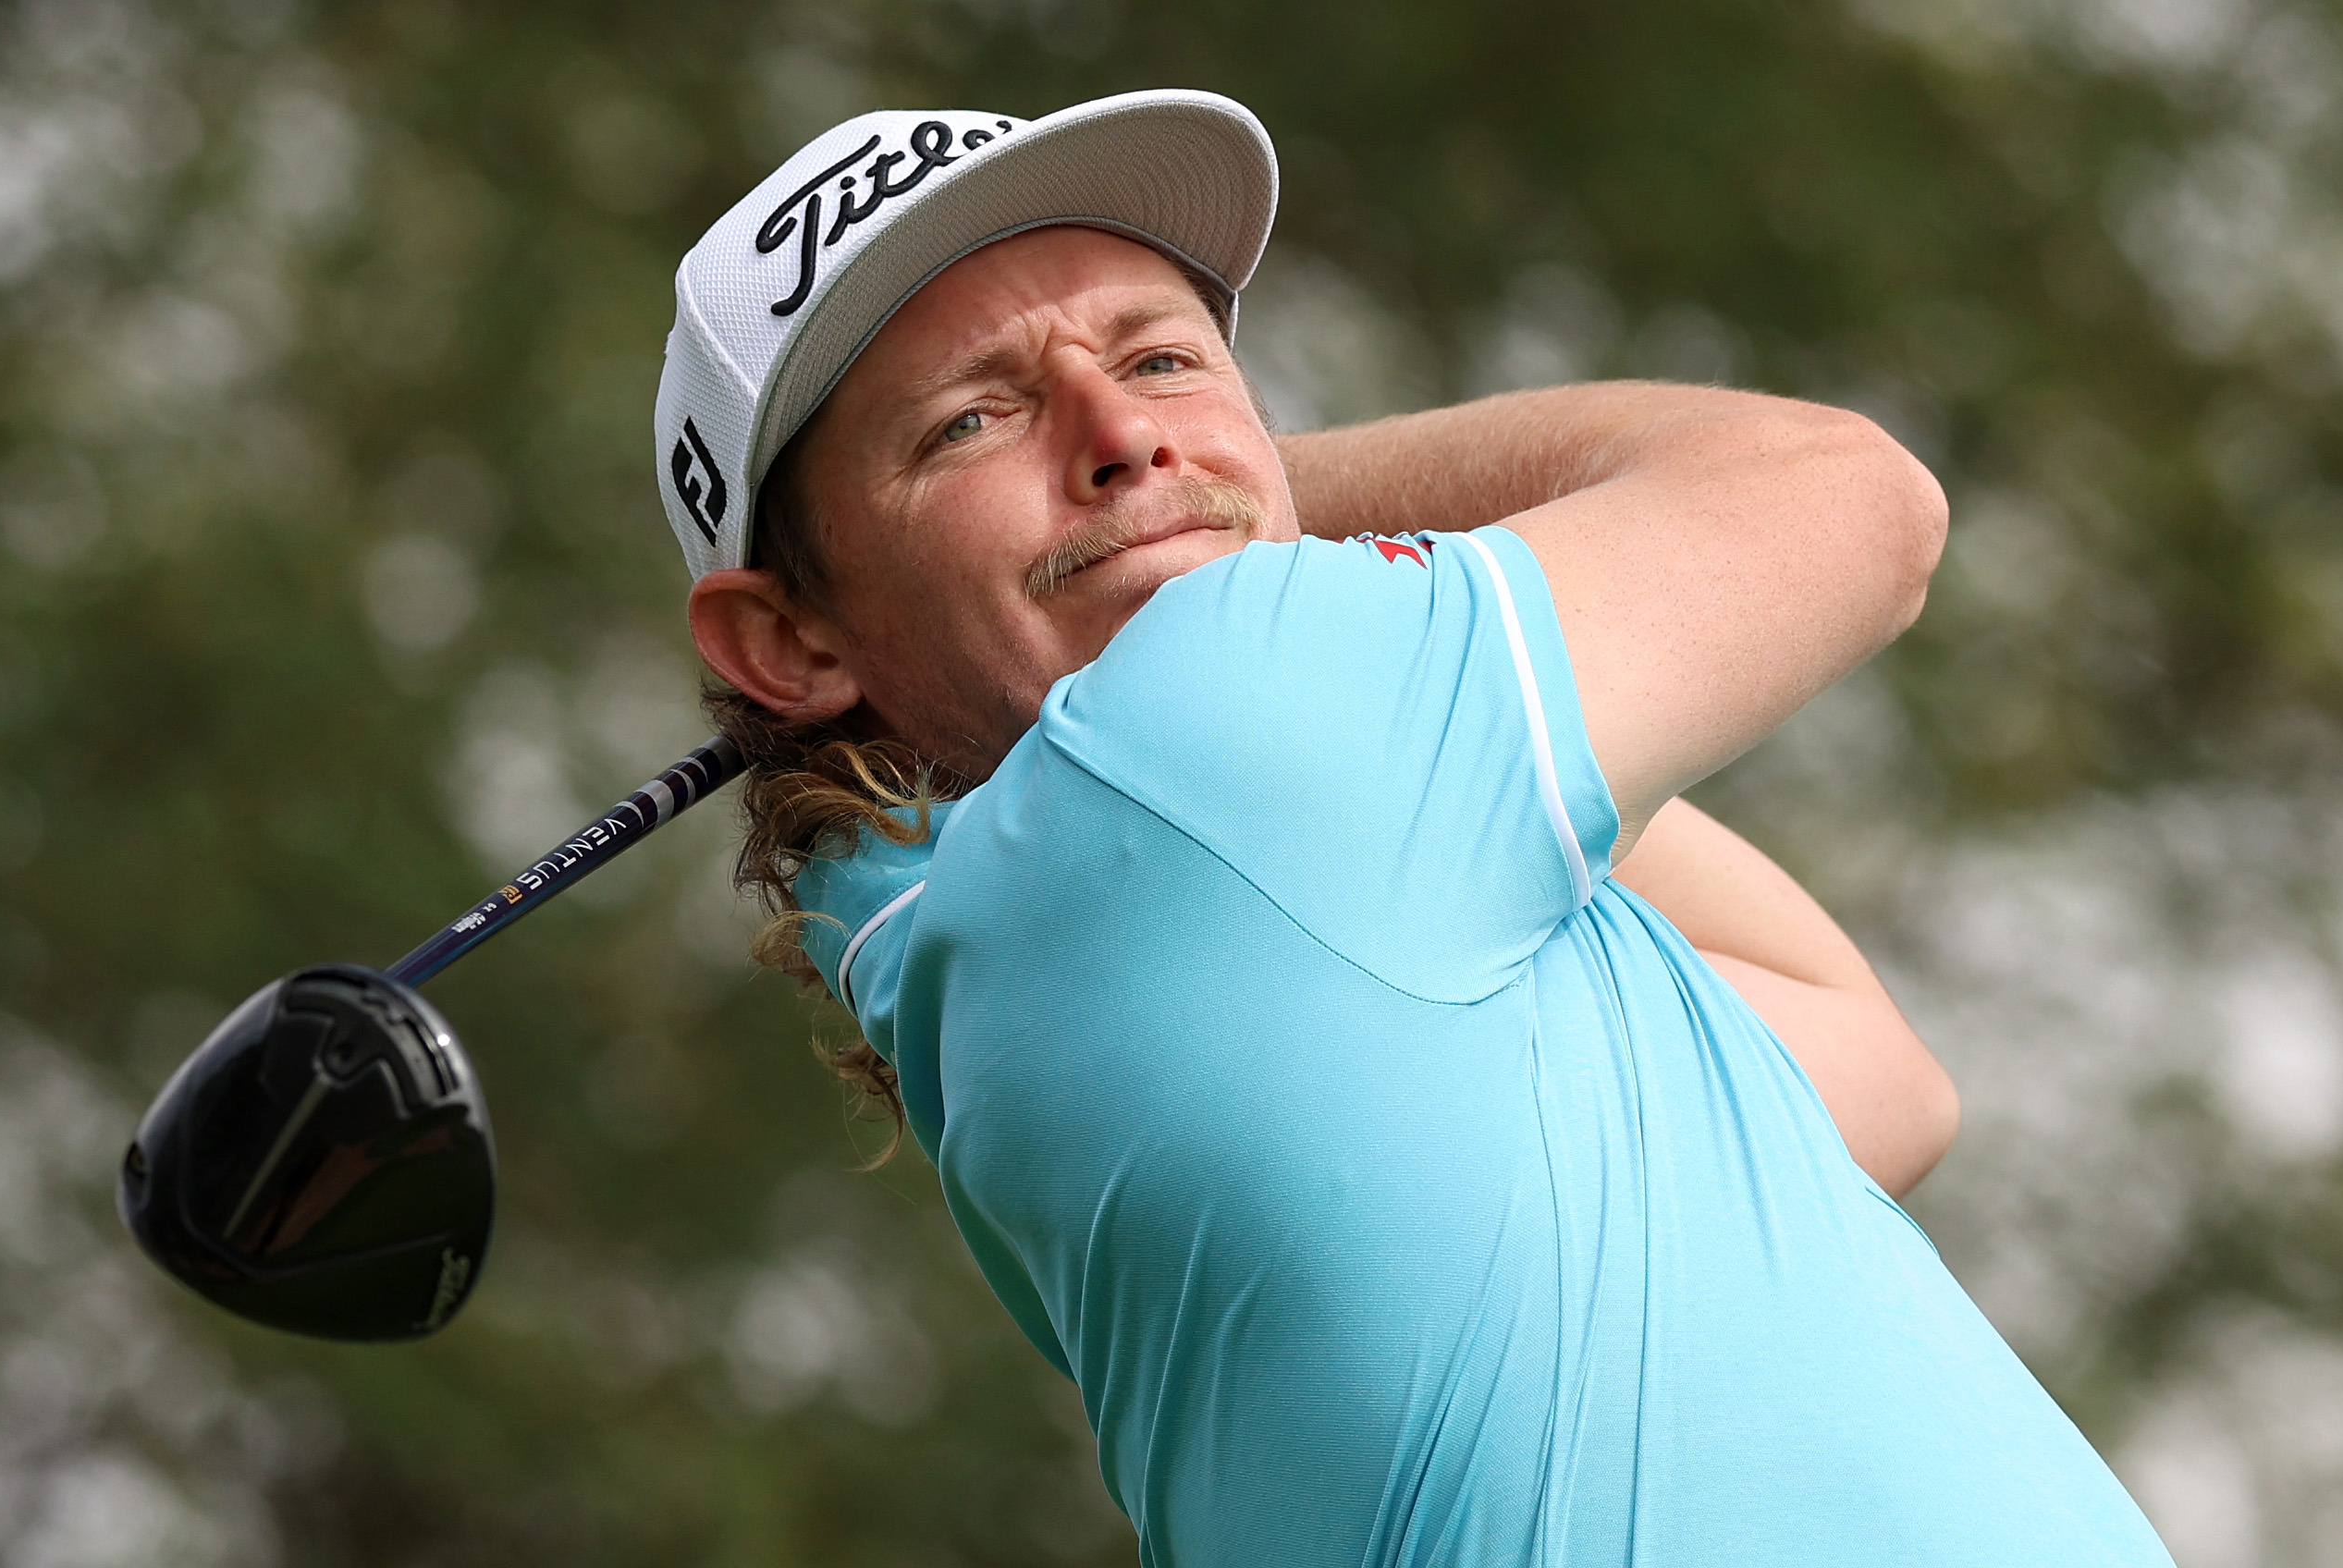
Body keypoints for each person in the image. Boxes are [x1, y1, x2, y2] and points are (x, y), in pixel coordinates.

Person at [657, 91, 2174, 1565]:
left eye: (1166, 359)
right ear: (791, 645)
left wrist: (1202, 519)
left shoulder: (1008, 941)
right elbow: (1854, 496)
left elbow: (1873, 1075)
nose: (1123, 431)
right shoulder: (1197, 747)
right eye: (973, 419)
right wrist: (1237, 510)